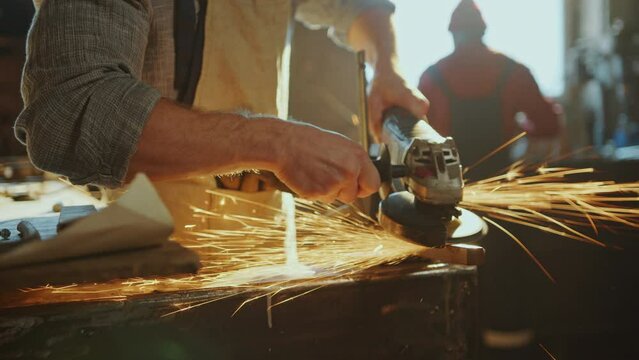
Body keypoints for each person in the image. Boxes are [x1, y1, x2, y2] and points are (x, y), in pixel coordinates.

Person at [15, 0, 428, 226]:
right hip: (147, 254)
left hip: (264, 242)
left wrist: (387, 68)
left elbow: (359, 7)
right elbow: (71, 111)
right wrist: (275, 143)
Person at [418, 0, 561, 178]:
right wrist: (520, 128)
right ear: (483, 31)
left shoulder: (431, 78)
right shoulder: (514, 72)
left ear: (452, 32)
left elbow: (417, 139)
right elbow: (549, 125)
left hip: (448, 183)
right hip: (499, 183)